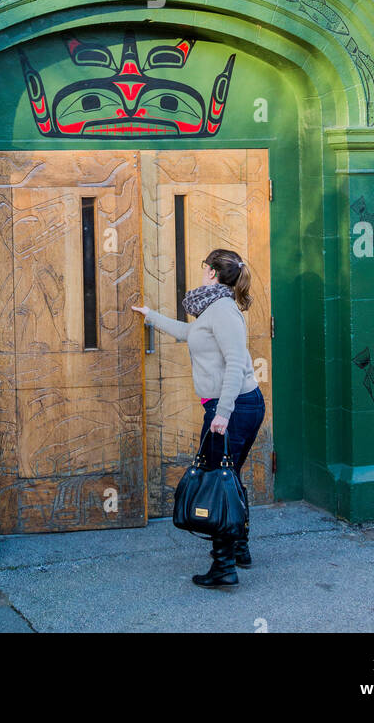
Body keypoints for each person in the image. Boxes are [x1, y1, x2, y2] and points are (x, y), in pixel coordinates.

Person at [133, 248, 265, 589]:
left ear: (212, 273)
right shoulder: (214, 308)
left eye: (204, 265)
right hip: (234, 405)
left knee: (220, 478)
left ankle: (223, 567)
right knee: (229, 475)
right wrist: (150, 316)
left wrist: (222, 414)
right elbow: (189, 333)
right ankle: (239, 549)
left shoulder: (222, 311)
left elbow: (236, 362)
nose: (202, 270)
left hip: (233, 407)